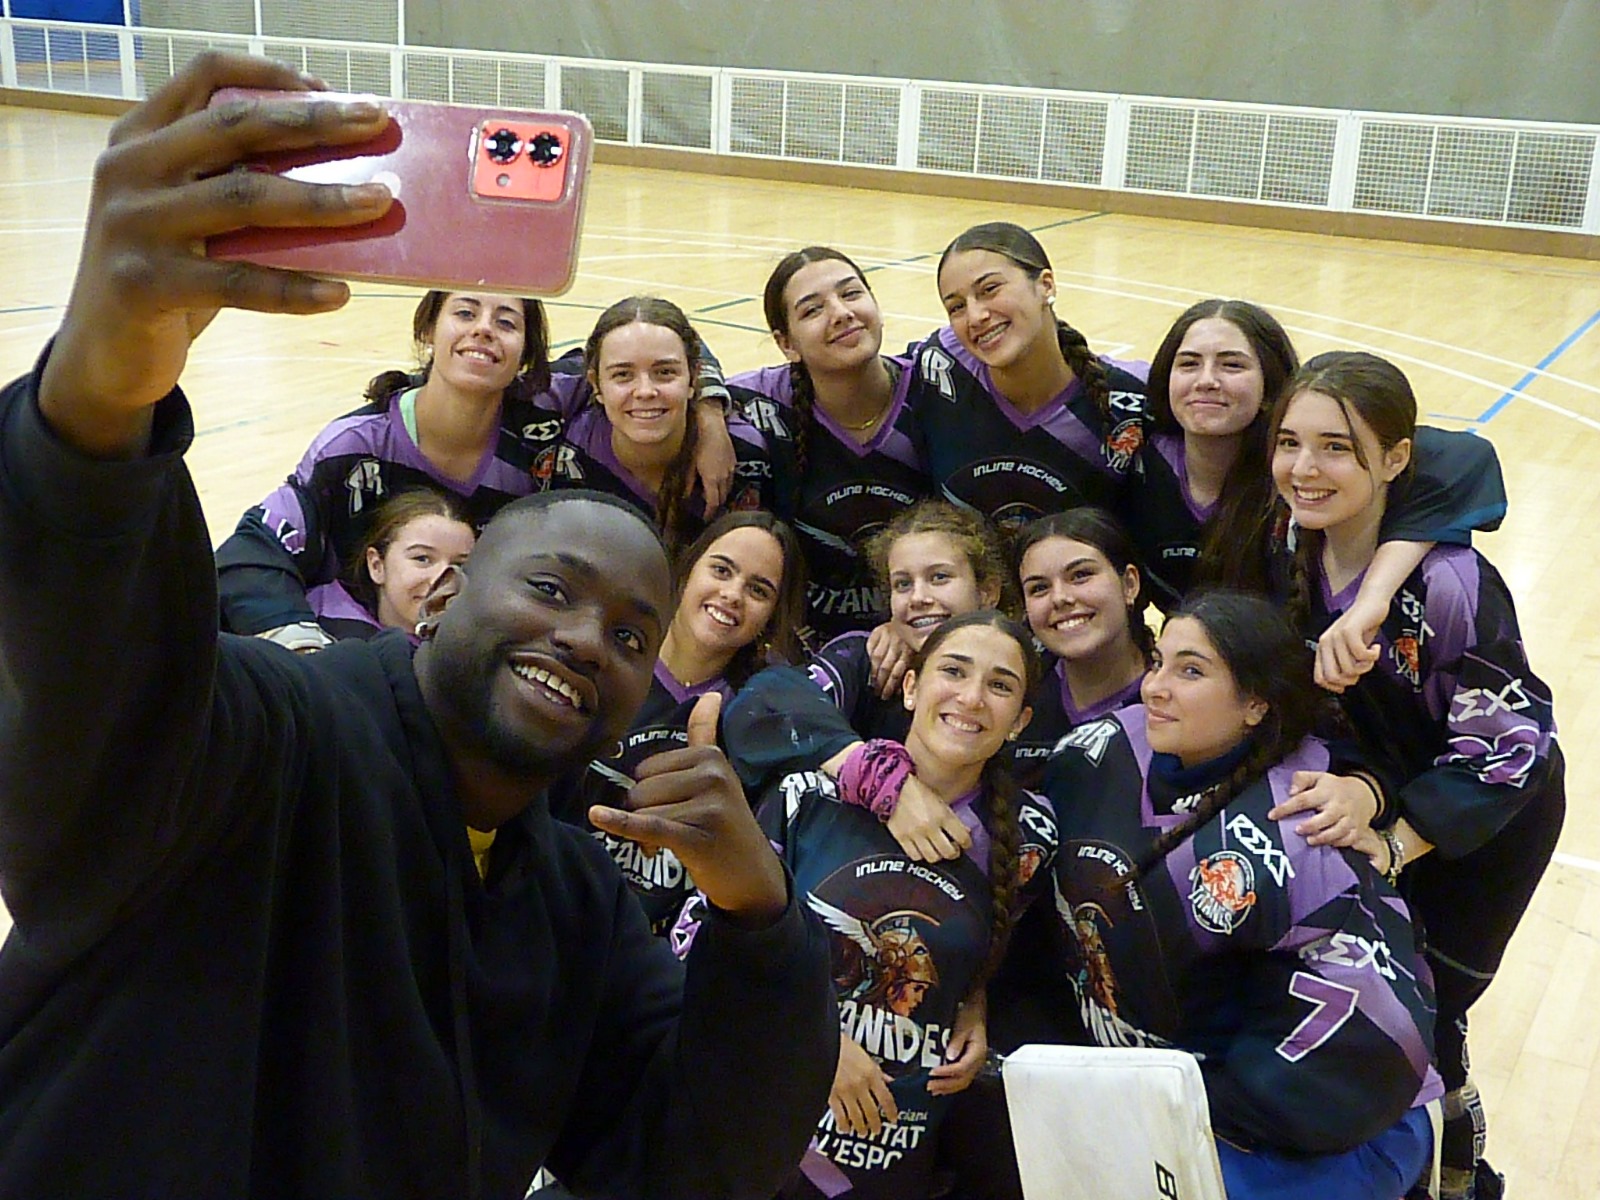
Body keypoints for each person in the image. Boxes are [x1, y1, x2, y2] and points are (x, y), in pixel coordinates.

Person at [0, 55, 836, 1199]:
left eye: (633, 637)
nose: (588, 639)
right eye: (551, 590)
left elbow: (690, 1161)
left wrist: (759, 924)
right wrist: (99, 399)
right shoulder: (275, 730)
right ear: (443, 596)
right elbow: (99, 701)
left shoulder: (576, 909)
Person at [1263, 351, 1565, 1200]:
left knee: (1427, 1008)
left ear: (1397, 458)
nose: (1304, 468)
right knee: (1368, 1004)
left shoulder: (1452, 584)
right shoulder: (1286, 543)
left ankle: (1459, 1177)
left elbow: (1510, 751)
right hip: (1378, 799)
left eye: (1336, 447)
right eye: (1289, 443)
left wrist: (1394, 844)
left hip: (1480, 827)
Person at [1044, 590, 1442, 1200]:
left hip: (1331, 1122)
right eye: (1159, 662)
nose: (1155, 688)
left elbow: (1381, 1041)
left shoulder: (1302, 828)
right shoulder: (1095, 754)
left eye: (1191, 671)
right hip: (1170, 1087)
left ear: (1255, 704)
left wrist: (1188, 1108)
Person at [677, 611, 1057, 1200]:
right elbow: (696, 940)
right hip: (752, 1132)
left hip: (892, 1159)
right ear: (910, 687)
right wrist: (812, 1041)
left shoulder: (1031, 837)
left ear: (1020, 722)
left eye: (1000, 685)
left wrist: (973, 999)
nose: (972, 697)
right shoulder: (808, 795)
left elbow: (995, 954)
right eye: (953, 671)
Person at [216, 292, 736, 649]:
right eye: (465, 313)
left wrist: (709, 413)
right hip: (355, 654)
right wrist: (302, 645)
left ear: (527, 355)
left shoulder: (545, 405)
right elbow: (253, 551)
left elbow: (657, 337)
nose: (484, 329)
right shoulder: (354, 446)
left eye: (506, 322)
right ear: (428, 329)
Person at [1139, 298, 1507, 685]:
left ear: (1271, 386)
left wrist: (1372, 597)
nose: (1206, 380)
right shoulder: (1137, 447)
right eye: (1188, 363)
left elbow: (1463, 457)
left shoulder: (1294, 495)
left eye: (1232, 364)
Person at [550, 510, 807, 933]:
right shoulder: (604, 656)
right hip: (547, 903)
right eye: (721, 570)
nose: (732, 594)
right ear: (686, 570)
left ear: (771, 617)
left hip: (645, 945)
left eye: (758, 590)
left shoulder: (759, 713)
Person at [722, 501, 1011, 807]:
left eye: (939, 577)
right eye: (902, 584)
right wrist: (869, 771)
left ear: (987, 592)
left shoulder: (1020, 675)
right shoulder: (869, 658)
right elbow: (759, 707)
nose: (918, 598)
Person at [730, 247, 933, 643]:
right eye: (813, 310)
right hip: (808, 647)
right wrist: (708, 409)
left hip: (926, 632)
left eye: (851, 293)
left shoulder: (935, 388)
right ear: (786, 344)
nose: (841, 313)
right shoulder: (759, 403)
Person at [908, 221, 1149, 533]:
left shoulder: (1132, 399)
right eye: (956, 307)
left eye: (990, 289)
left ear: (1046, 285)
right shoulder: (940, 363)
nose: (975, 316)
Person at [542, 295, 771, 552]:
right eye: (622, 375)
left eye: (664, 372)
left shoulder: (745, 452)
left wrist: (711, 414)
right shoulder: (567, 451)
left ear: (694, 378)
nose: (645, 391)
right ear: (596, 384)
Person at [307, 485, 475, 641]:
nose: (441, 580)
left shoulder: (475, 647)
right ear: (377, 566)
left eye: (459, 565)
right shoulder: (318, 625)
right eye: (422, 559)